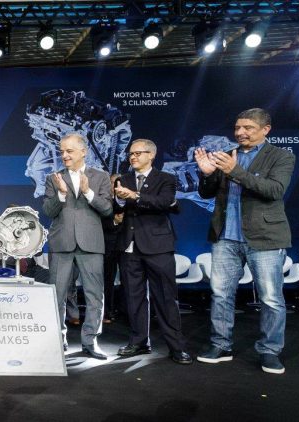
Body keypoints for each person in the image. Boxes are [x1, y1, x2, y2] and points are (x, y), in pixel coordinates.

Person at [194, 108, 295, 374]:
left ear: (266, 129)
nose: (240, 132)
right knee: (221, 295)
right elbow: (206, 194)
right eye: (238, 127)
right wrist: (207, 174)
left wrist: (235, 171)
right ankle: (221, 345)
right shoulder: (227, 156)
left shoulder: (281, 156)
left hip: (265, 238)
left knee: (271, 299)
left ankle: (270, 351)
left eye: (248, 128)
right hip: (225, 238)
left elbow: (274, 190)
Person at [113, 139, 193, 364]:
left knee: (166, 298)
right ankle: (139, 342)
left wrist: (135, 196)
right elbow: (116, 208)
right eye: (131, 153)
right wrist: (120, 199)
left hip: (158, 246)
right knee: (134, 297)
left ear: (151, 155)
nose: (133, 157)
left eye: (138, 153)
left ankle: (176, 347)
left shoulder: (166, 178)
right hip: (129, 246)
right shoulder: (123, 179)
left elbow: (164, 202)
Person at [43, 132, 112, 358]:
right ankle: (58, 339)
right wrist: (61, 194)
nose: (64, 155)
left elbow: (107, 209)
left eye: (69, 151)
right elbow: (49, 211)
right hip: (61, 243)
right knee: (57, 295)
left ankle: (90, 341)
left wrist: (87, 192)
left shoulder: (100, 177)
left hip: (90, 244)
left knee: (94, 295)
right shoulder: (53, 178)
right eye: (62, 151)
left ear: (83, 151)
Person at [103, 173, 124, 323]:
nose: (115, 185)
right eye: (112, 182)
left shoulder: (128, 199)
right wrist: (115, 221)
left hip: (127, 246)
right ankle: (107, 312)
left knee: (129, 280)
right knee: (108, 280)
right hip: (108, 246)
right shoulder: (103, 201)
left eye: (118, 183)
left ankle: (125, 311)